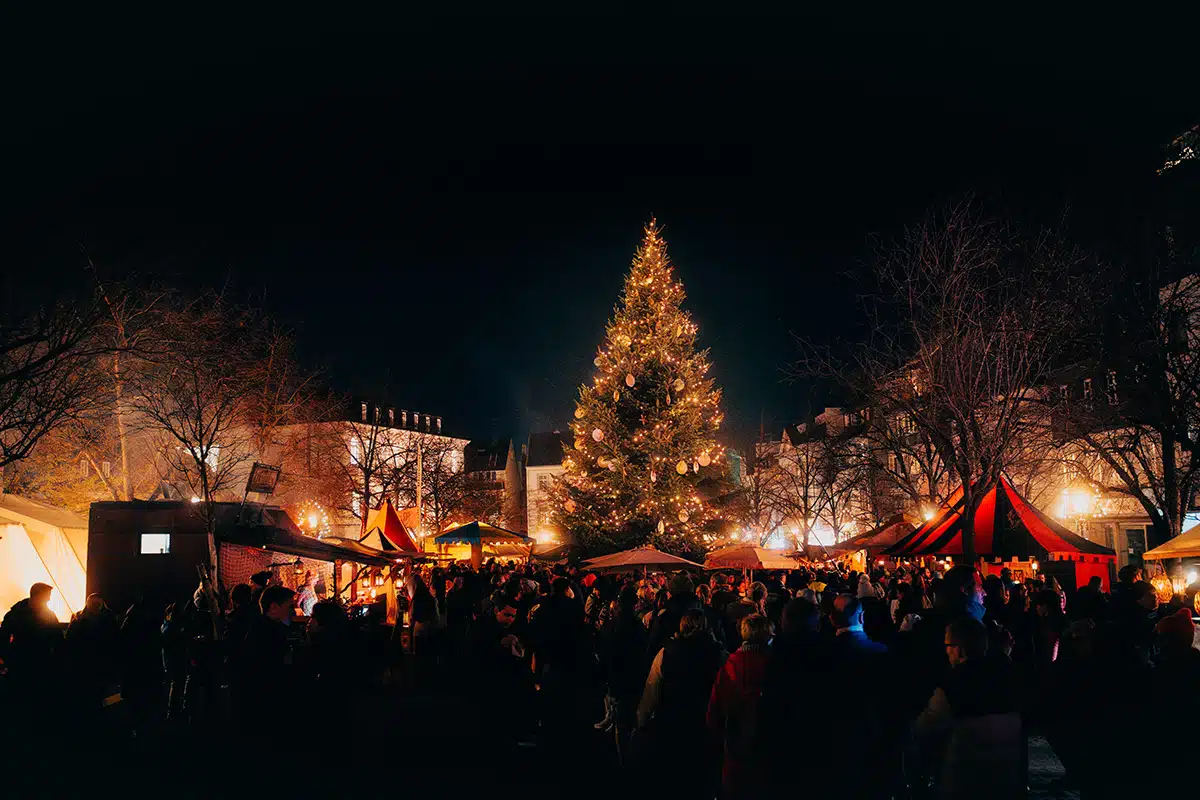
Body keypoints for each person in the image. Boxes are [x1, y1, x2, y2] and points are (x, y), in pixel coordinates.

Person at [910, 617, 1022, 799]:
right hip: (1007, 770)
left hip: (962, 775)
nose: (945, 651)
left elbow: (925, 729)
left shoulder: (951, 685)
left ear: (958, 649)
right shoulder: (1008, 676)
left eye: (947, 645)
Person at [637, 608, 725, 795]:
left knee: (675, 777)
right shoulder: (718, 653)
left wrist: (642, 719)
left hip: (672, 719)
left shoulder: (667, 652)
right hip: (705, 721)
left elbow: (652, 688)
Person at [708, 614, 772, 799]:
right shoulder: (773, 665)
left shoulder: (730, 665)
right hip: (767, 748)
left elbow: (714, 710)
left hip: (735, 747)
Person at [235, 585, 296, 728]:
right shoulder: (271, 632)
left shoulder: (258, 626)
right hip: (265, 696)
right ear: (274, 607)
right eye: (289, 606)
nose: (292, 611)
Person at [0, 582, 61, 686]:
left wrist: (8, 658)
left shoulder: (16, 613)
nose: (49, 599)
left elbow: (3, 636)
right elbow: (58, 638)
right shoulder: (48, 615)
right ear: (39, 595)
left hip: (22, 662)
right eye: (47, 596)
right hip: (36, 663)